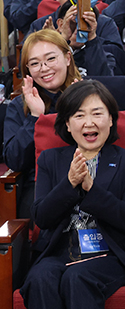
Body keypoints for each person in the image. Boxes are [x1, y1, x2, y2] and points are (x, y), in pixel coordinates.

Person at [19, 80, 125, 309]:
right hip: (59, 252)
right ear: (67, 124)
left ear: (110, 119)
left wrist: (90, 188)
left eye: (97, 114)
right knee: (40, 278)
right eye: (79, 116)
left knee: (77, 277)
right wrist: (69, 183)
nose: (89, 123)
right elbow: (42, 217)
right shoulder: (50, 159)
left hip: (111, 255)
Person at [4, 30, 82, 219]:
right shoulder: (19, 105)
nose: (44, 68)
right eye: (35, 63)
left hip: (89, 178)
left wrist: (78, 107)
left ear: (68, 58)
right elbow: (14, 160)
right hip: (41, 185)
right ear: (28, 70)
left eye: (50, 59)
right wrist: (35, 117)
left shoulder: (89, 94)